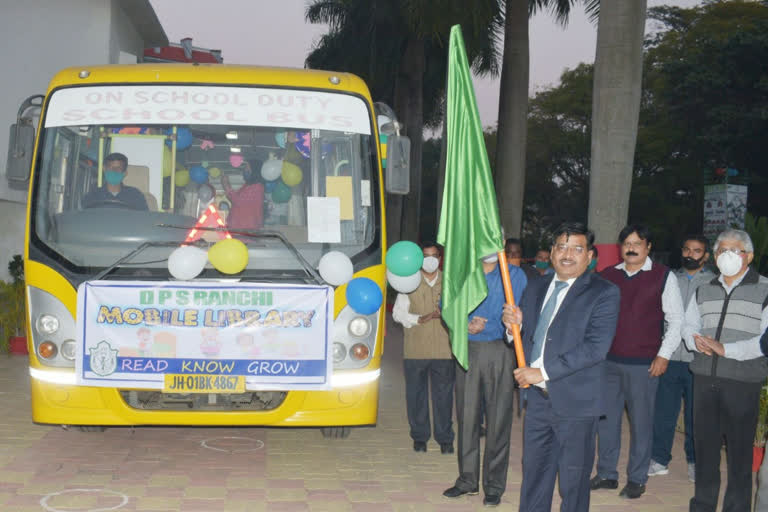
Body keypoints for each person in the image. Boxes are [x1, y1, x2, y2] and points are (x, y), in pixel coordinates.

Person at [503, 222, 620, 512]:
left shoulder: (604, 292)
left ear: (590, 255)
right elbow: (529, 334)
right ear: (552, 252)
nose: (567, 254)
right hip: (539, 402)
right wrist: (512, 328)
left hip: (577, 403)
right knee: (534, 476)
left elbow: (595, 348)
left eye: (577, 249)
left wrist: (541, 372)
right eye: (561, 247)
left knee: (574, 481)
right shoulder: (536, 285)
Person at [591, 224, 684, 499]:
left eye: (637, 243)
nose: (631, 248)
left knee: (642, 423)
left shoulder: (663, 276)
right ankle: (607, 474)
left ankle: (637, 478)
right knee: (606, 421)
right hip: (608, 363)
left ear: (648, 247)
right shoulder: (608, 275)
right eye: (627, 243)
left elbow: (676, 319)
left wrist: (664, 355)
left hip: (644, 364)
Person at [682, 229, 768, 512]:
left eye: (735, 250)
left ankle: (737, 508)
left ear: (750, 256)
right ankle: (702, 505)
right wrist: (695, 341)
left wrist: (726, 349)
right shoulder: (704, 289)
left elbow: (765, 341)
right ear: (715, 257)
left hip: (742, 382)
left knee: (740, 454)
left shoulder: (765, 289)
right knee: (705, 451)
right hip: (705, 379)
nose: (728, 256)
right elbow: (688, 324)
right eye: (722, 251)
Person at [442, 250, 527, 507]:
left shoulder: (514, 275)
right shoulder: (463, 272)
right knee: (467, 416)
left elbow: (522, 312)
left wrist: (500, 325)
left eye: (495, 240)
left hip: (500, 348)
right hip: (467, 348)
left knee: (499, 417)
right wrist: (464, 323)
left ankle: (494, 485)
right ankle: (467, 480)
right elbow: (445, 305)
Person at [648, 235, 713, 483]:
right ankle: (659, 459)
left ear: (706, 256)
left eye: (697, 251)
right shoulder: (668, 278)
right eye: (686, 249)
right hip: (669, 356)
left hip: (699, 358)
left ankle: (695, 462)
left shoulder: (714, 282)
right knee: (663, 412)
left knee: (696, 415)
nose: (690, 254)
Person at [392, 242, 455, 454]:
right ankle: (420, 437)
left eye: (435, 255)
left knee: (444, 397)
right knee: (416, 395)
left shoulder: (450, 281)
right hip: (415, 349)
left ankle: (445, 438)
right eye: (426, 256)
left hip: (444, 350)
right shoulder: (408, 281)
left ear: (441, 258)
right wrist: (422, 318)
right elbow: (398, 314)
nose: (430, 260)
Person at [83, 152, 148, 210]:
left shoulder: (136, 195)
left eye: (118, 168)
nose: (114, 171)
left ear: (125, 173)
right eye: (110, 167)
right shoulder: (93, 195)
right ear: (104, 169)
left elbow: (144, 220)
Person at [221, 160, 265, 231]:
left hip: (246, 232)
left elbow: (237, 200)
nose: (245, 170)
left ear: (255, 170)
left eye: (247, 168)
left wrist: (226, 184)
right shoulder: (246, 186)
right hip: (238, 230)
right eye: (245, 168)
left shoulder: (258, 187)